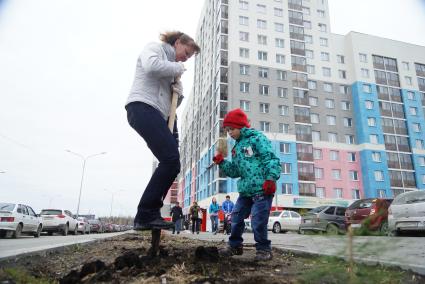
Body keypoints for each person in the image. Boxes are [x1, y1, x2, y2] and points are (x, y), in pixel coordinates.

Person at [125, 31, 200, 230]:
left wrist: (178, 92)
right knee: (169, 160)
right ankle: (146, 214)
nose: (186, 58)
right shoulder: (155, 49)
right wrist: (177, 68)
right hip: (141, 107)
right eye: (186, 52)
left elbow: (171, 104)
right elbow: (151, 67)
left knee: (173, 163)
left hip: (160, 113)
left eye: (189, 57)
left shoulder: (172, 73)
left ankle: (150, 213)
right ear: (177, 43)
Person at [212, 108, 281, 261]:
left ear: (241, 126)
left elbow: (270, 158)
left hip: (262, 189)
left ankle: (264, 250)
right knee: (235, 217)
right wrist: (222, 162)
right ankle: (235, 245)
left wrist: (271, 178)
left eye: (232, 129)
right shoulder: (236, 148)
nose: (229, 132)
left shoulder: (257, 139)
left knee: (258, 220)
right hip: (246, 191)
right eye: (227, 130)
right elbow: (235, 171)